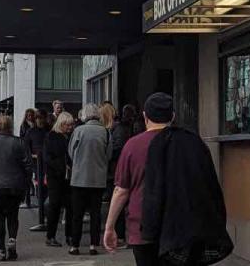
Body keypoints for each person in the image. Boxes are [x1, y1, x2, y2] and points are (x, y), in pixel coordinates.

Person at [138, 93, 233, 266]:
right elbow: (212, 186)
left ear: (145, 116)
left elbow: (154, 191)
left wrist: (149, 231)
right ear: (173, 116)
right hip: (200, 229)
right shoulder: (195, 141)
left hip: (171, 232)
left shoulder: (158, 145)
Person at [104, 94, 173, 263]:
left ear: (144, 116)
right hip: (178, 226)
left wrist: (109, 227)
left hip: (142, 227)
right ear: (173, 116)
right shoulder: (186, 143)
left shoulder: (133, 145)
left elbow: (121, 190)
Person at [0, 116, 33, 261]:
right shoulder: (19, 143)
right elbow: (28, 166)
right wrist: (26, 184)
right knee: (13, 216)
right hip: (15, 186)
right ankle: (12, 240)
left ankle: (1, 249)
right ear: (10, 127)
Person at [68, 103, 110, 255]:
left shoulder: (78, 130)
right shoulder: (105, 132)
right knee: (95, 213)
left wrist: (79, 163)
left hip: (79, 178)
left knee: (77, 214)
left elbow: (71, 152)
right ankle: (93, 245)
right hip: (98, 179)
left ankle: (75, 245)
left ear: (85, 115)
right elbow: (109, 154)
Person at [44, 112, 75, 248]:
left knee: (70, 207)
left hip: (68, 177)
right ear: (61, 124)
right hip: (56, 176)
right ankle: (51, 236)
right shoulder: (52, 136)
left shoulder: (71, 136)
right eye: (68, 125)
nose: (70, 127)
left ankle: (69, 235)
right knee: (55, 206)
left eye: (71, 125)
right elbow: (47, 157)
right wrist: (61, 166)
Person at [107, 104, 138, 242]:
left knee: (123, 198)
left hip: (119, 168)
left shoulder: (121, 129)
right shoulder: (124, 129)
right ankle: (122, 234)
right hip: (122, 168)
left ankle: (121, 234)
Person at [26, 111, 51, 232]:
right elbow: (26, 148)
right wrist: (32, 157)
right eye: (38, 118)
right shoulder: (31, 132)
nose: (40, 120)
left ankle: (46, 215)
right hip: (37, 165)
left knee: (47, 190)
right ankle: (43, 216)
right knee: (39, 190)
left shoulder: (49, 131)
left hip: (48, 165)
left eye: (42, 118)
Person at [18, 108, 37, 209]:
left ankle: (32, 192)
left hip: (34, 153)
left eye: (31, 115)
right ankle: (27, 198)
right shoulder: (24, 126)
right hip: (26, 152)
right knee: (27, 174)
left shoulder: (35, 126)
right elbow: (22, 139)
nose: (30, 117)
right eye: (28, 115)